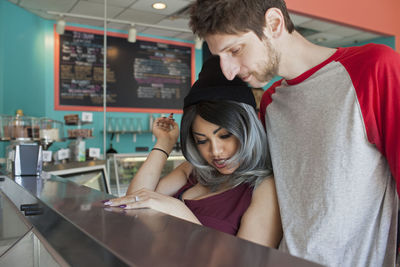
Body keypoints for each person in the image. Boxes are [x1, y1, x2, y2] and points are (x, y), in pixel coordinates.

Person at [189, 0, 400, 266]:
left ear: (274, 23)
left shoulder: (373, 70)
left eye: (236, 50)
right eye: (221, 58)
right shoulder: (271, 102)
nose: (228, 71)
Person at [104, 56, 282, 248]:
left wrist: (180, 211)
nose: (215, 151)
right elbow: (137, 200)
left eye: (225, 136)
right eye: (202, 140)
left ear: (248, 130)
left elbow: (247, 261)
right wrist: (164, 143)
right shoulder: (194, 170)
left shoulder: (265, 187)